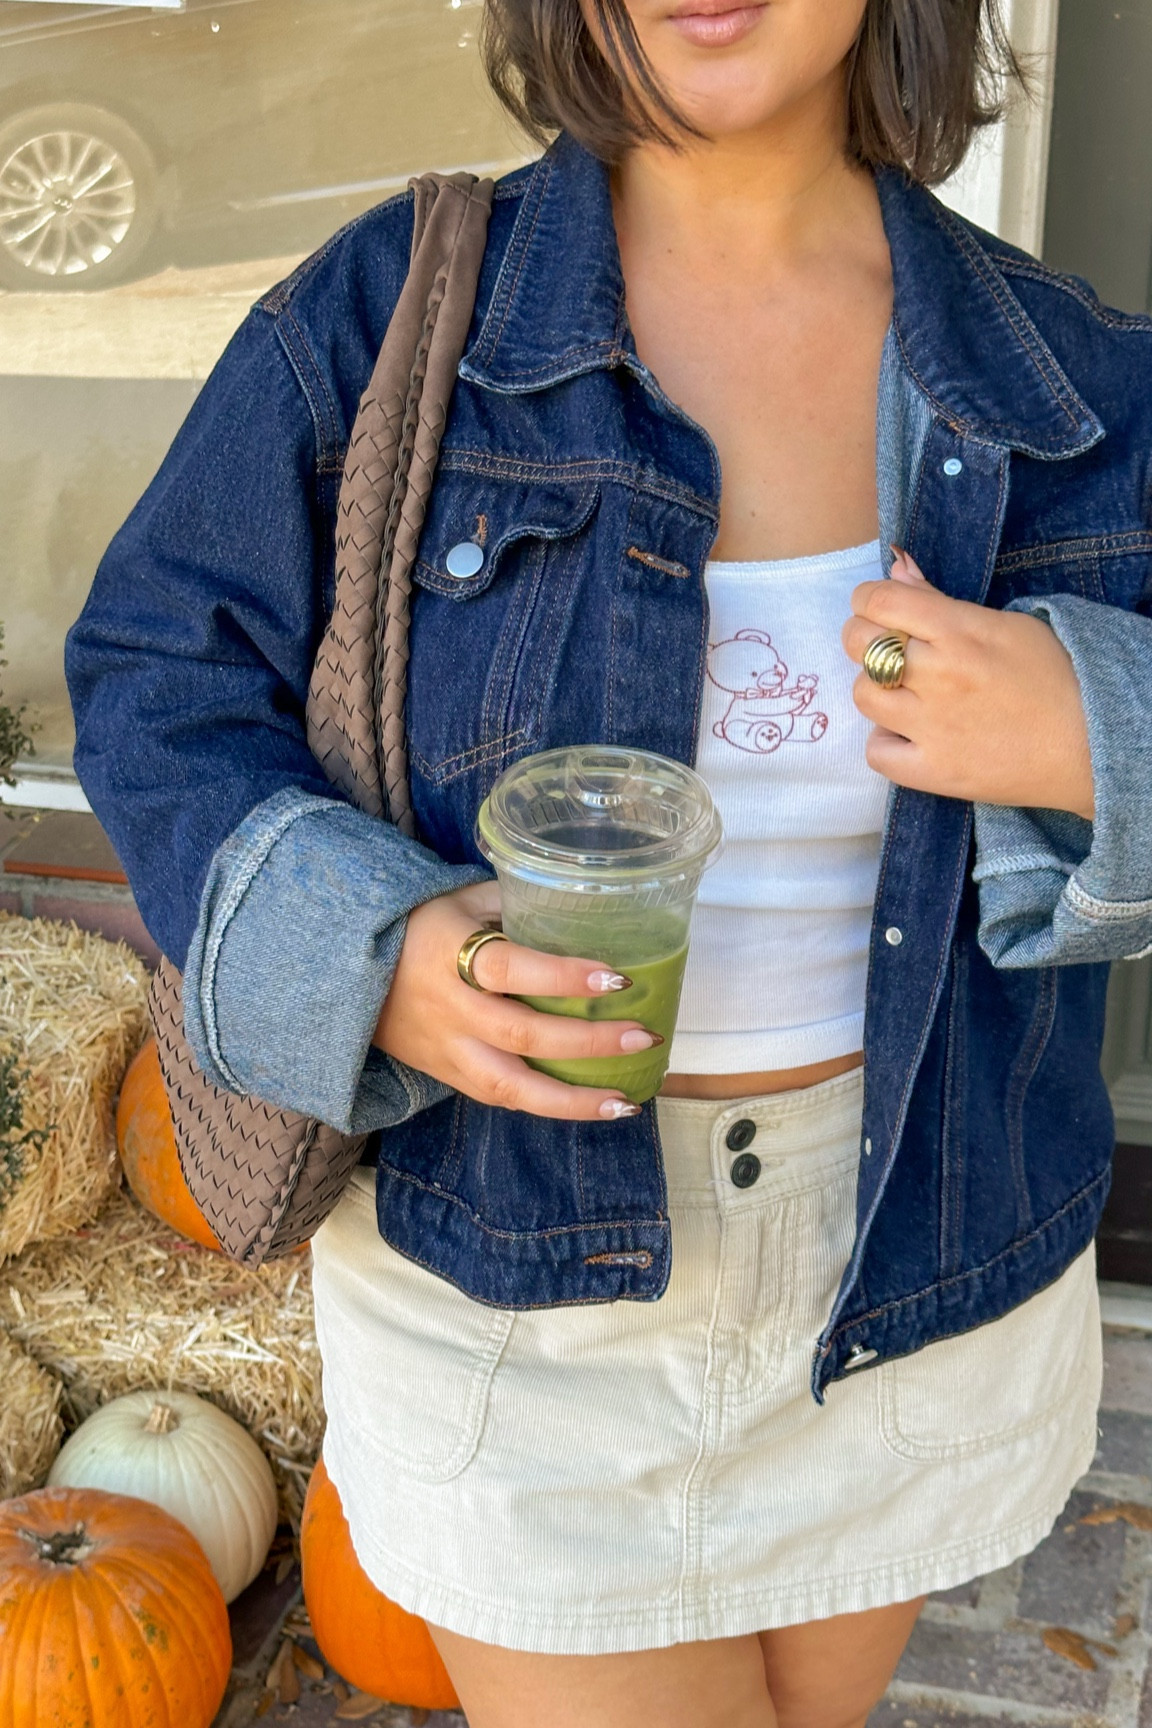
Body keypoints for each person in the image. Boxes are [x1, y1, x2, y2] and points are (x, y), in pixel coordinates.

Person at [66, 1, 1152, 1723]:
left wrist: (1101, 732)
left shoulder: (1076, 378)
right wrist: (375, 954)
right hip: (520, 1273)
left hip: (912, 1267)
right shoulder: (391, 314)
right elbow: (156, 674)